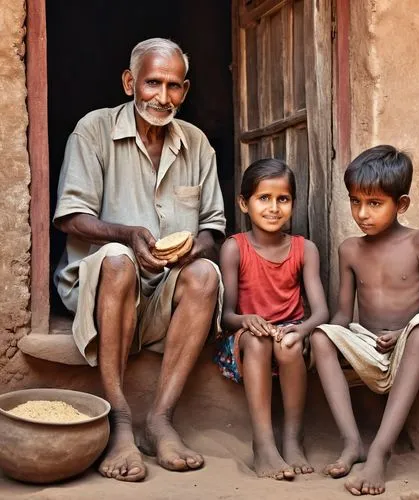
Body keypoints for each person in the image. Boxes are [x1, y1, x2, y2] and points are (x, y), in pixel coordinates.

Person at [53, 38, 226, 481]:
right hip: (102, 290)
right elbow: (70, 217)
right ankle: (121, 421)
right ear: (130, 82)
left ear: (184, 91)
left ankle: (161, 419)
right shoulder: (93, 130)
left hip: (163, 296)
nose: (162, 97)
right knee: (117, 259)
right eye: (152, 83)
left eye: (173, 86)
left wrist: (193, 249)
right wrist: (128, 236)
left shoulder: (197, 144)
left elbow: (214, 228)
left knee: (206, 274)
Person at [310, 145, 419, 495]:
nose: (362, 213)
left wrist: (405, 330)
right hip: (369, 343)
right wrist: (329, 338)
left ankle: (378, 452)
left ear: (401, 204)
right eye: (355, 201)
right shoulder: (349, 249)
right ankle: (352, 442)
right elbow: (344, 314)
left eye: (374, 203)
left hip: (415, 344)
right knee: (320, 336)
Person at [214, 158, 329, 480]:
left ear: (293, 203)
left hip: (288, 339)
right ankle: (263, 443)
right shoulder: (234, 248)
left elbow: (321, 312)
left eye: (283, 199)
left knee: (289, 345)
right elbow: (226, 315)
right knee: (260, 339)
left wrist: (300, 329)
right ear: (244, 203)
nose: (274, 208)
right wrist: (246, 319)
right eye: (264, 198)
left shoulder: (304, 249)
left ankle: (293, 438)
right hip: (245, 342)